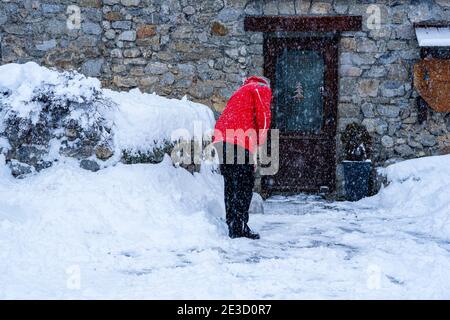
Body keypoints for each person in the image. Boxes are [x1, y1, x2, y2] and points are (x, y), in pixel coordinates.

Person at [213, 76, 272, 239]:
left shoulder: (241, 91)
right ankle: (239, 227)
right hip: (238, 140)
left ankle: (232, 224)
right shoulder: (261, 89)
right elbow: (264, 118)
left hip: (221, 139)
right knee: (244, 185)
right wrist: (259, 143)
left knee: (231, 184)